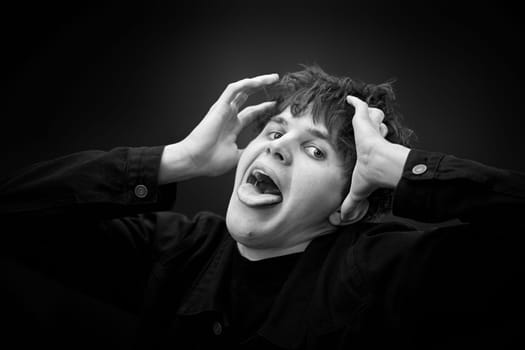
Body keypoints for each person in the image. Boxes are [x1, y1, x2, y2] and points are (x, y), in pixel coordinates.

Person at [1, 65, 524, 349]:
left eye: (314, 148)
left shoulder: (388, 272)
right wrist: (175, 160)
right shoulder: (180, 252)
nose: (276, 145)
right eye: (276, 130)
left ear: (350, 203)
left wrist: (404, 168)